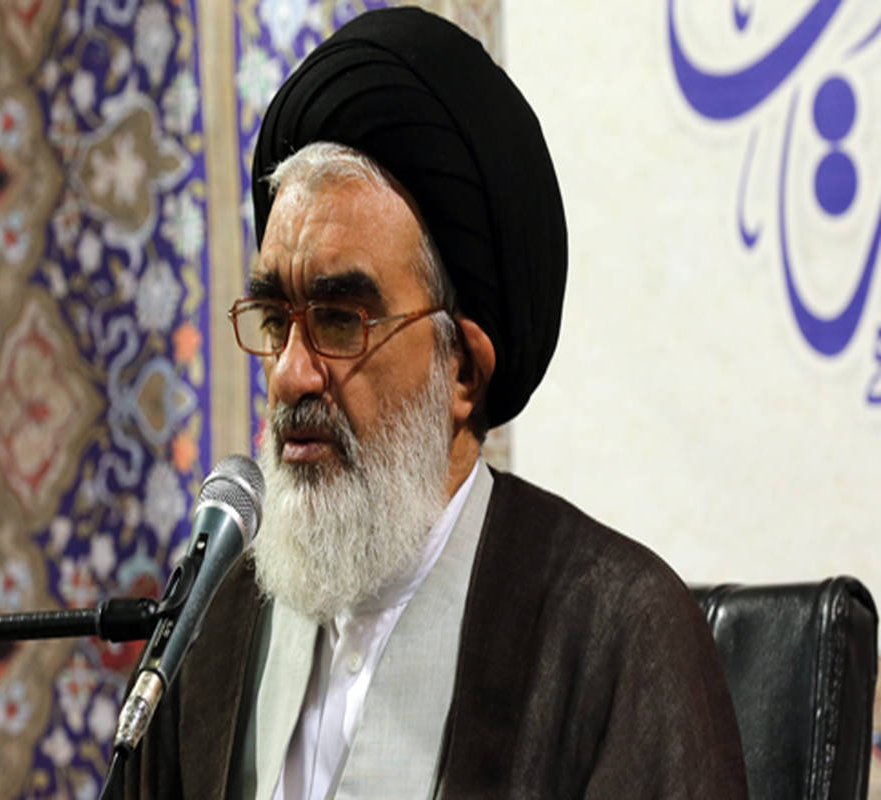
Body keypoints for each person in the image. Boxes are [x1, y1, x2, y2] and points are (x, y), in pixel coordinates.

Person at [116, 7, 747, 798]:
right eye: (276, 321)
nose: (290, 375)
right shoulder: (212, 630)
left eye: (340, 321)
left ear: (463, 371)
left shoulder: (615, 633)